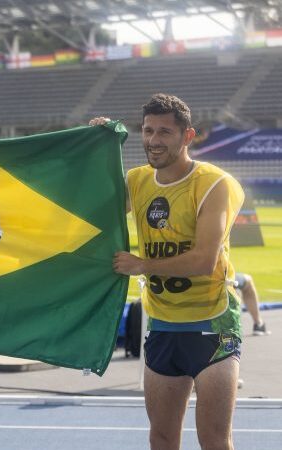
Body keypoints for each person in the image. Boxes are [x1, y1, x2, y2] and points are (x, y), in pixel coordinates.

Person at [91, 93, 245, 450]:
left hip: (214, 325)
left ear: (187, 136)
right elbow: (91, 206)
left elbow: (204, 259)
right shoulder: (137, 180)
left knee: (214, 440)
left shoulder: (215, 184)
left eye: (164, 132)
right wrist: (94, 147)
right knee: (161, 438)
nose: (154, 141)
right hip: (162, 325)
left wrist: (142, 265)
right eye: (147, 131)